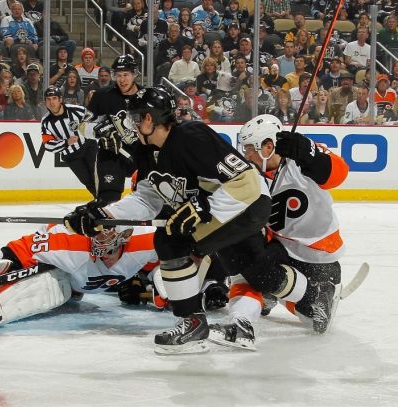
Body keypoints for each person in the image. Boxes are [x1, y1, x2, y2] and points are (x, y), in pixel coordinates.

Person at [63, 88, 330, 355]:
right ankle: (314, 299)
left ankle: (192, 324)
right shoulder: (147, 153)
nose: (132, 125)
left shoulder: (192, 136)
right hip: (230, 212)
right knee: (257, 271)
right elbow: (147, 200)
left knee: (170, 241)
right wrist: (106, 216)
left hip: (247, 203)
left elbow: (243, 179)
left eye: (136, 117)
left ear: (149, 119)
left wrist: (205, 208)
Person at [216, 114, 349, 349]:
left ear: (268, 146)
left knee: (317, 324)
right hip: (282, 248)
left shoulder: (300, 160)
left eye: (249, 149)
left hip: (319, 257)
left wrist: (309, 152)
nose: (245, 155)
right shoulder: (249, 176)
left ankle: (313, 294)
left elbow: (338, 174)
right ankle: (241, 322)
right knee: (248, 267)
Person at [0, 224, 158, 327]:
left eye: (108, 242)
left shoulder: (146, 240)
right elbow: (21, 249)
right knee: (56, 282)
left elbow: (171, 254)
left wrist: (144, 278)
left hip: (81, 283)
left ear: (124, 238)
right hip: (59, 265)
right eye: (97, 237)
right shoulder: (70, 244)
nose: (100, 243)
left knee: (66, 289)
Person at [87, 54, 141, 203]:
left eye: (126, 75)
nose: (122, 80)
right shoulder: (102, 96)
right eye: (118, 75)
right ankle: (109, 227)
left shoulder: (146, 97)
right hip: (111, 154)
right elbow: (83, 126)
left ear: (134, 74)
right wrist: (97, 131)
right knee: (108, 201)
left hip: (141, 155)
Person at [41, 86, 97, 196]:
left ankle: (106, 200)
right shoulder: (45, 122)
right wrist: (66, 143)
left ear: (60, 99)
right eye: (48, 99)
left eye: (54, 98)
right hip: (71, 156)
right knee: (86, 180)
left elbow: (91, 115)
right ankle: (100, 200)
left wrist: (85, 125)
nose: (51, 102)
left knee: (97, 175)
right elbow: (48, 145)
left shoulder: (75, 110)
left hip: (88, 146)